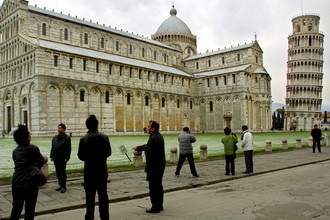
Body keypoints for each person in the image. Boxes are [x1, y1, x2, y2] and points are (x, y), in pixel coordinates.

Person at [78, 115, 112, 220]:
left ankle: (89, 217)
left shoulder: (83, 139)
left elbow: (81, 156)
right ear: (97, 124)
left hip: (89, 172)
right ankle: (104, 217)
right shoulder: (104, 137)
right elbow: (108, 152)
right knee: (103, 196)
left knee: (89, 197)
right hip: (101, 171)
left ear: (87, 126)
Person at [10, 125, 46, 220]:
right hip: (30, 183)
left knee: (16, 209)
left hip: (17, 182)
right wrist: (34, 167)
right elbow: (41, 161)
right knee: (29, 210)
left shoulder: (15, 151)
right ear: (27, 136)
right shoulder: (33, 148)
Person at [134, 120, 165, 214]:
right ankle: (159, 205)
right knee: (158, 187)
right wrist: (139, 148)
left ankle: (155, 207)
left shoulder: (154, 138)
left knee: (153, 188)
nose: (147, 128)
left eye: (148, 127)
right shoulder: (157, 136)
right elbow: (148, 146)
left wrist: (148, 167)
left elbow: (149, 152)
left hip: (154, 168)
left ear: (153, 128)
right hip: (158, 166)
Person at [50, 123, 71, 193]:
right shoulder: (55, 138)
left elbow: (68, 148)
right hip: (56, 157)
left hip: (62, 158)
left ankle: (63, 186)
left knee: (62, 172)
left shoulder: (67, 138)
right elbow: (53, 147)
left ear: (64, 129)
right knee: (58, 172)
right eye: (58, 128)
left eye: (60, 128)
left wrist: (67, 158)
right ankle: (60, 185)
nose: (59, 129)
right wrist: (51, 156)